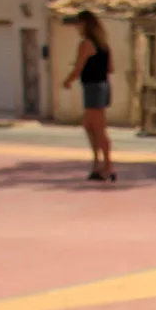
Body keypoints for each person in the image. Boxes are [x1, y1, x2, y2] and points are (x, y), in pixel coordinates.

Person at [62, 10, 116, 182]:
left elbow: (78, 68)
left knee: (98, 129)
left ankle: (107, 166)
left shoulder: (86, 44)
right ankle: (98, 163)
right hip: (102, 86)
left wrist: (68, 81)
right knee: (89, 125)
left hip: (94, 87)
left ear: (86, 24)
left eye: (79, 23)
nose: (77, 27)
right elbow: (110, 68)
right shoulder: (104, 45)